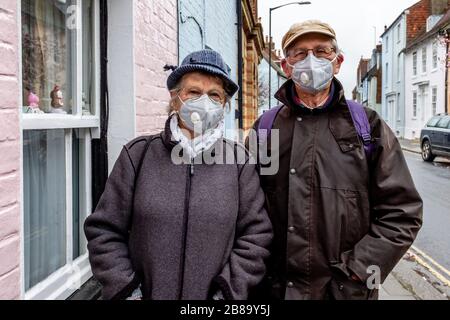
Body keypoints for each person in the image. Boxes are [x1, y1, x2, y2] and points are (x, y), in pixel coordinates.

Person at [248, 20, 423, 300]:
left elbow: (402, 213)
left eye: (321, 51)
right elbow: (249, 212)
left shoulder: (368, 126)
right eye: (299, 53)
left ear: (338, 61)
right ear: (286, 66)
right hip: (275, 292)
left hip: (346, 293)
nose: (311, 60)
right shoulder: (265, 129)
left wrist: (356, 273)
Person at [84, 49, 273, 300]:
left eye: (215, 95)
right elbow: (104, 230)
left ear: (224, 106)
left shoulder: (240, 163)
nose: (204, 101)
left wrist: (226, 292)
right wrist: (126, 290)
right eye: (194, 92)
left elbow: (256, 236)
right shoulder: (138, 155)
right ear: (175, 98)